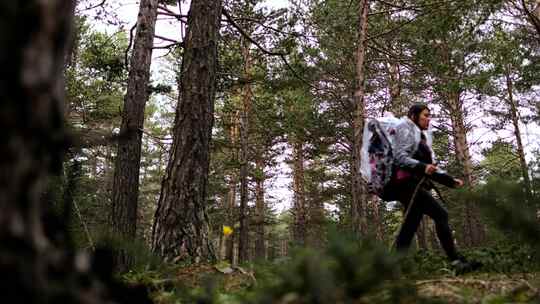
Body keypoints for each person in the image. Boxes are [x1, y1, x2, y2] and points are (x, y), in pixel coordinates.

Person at [382, 103, 481, 274]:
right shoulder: (406, 130)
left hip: (411, 185)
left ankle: (392, 267)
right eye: (425, 115)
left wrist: (450, 180)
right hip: (406, 186)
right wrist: (422, 167)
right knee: (441, 214)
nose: (429, 119)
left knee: (409, 226)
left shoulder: (419, 137)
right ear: (413, 116)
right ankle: (456, 261)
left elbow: (430, 167)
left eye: (429, 116)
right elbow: (400, 158)